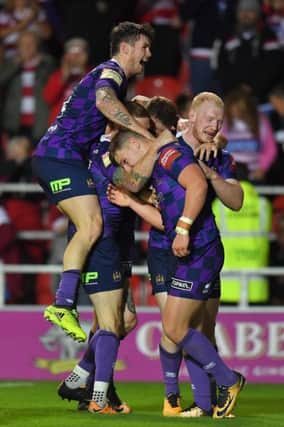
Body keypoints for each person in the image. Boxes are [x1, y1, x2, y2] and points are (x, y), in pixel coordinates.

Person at [108, 92, 245, 419]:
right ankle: (204, 399)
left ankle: (222, 385)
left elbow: (225, 196)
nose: (214, 127)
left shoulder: (188, 153)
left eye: (219, 122)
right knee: (182, 327)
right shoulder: (165, 146)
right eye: (208, 120)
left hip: (195, 244)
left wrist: (183, 223)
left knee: (193, 328)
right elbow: (122, 175)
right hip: (173, 246)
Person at [32, 21, 166, 342]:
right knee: (92, 223)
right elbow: (104, 101)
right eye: (144, 47)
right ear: (126, 48)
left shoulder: (114, 79)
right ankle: (63, 303)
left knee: (89, 225)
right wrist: (146, 137)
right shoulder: (113, 72)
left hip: (62, 158)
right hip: (58, 156)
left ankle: (67, 311)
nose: (148, 55)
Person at [56, 101, 154, 415]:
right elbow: (134, 184)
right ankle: (96, 393)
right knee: (116, 321)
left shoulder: (117, 153)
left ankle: (82, 379)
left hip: (120, 245)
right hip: (102, 244)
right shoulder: (107, 154)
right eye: (137, 128)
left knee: (116, 321)